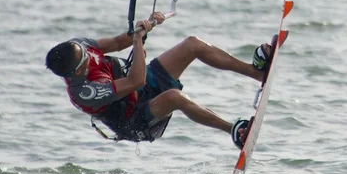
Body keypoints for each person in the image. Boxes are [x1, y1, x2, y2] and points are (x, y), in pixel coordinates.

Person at [45, 11, 282, 149]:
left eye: (85, 51)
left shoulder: (78, 47)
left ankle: (256, 73)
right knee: (173, 97)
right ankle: (235, 132)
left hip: (141, 87)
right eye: (84, 59)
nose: (88, 53)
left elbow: (118, 43)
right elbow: (136, 79)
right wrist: (138, 41)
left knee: (192, 44)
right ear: (75, 72)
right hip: (135, 120)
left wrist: (143, 27)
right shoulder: (85, 92)